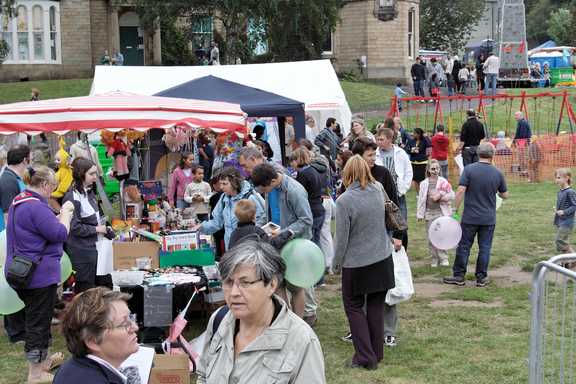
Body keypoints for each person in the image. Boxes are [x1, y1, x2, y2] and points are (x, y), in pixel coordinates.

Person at [196, 241, 325, 383]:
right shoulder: (219, 320)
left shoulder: (302, 340)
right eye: (228, 282)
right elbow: (203, 375)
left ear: (272, 285)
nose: (234, 293)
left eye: (245, 283)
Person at [5, 165, 74, 384]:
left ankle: (43, 362)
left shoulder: (19, 200)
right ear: (44, 185)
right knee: (37, 323)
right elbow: (60, 233)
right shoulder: (36, 207)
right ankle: (35, 373)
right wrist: (65, 214)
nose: (53, 191)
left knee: (40, 319)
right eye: (53, 187)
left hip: (23, 271)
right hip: (37, 275)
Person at [332, 155, 395, 370]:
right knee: (376, 306)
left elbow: (341, 238)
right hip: (382, 258)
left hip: (358, 263)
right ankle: (376, 353)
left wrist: (335, 264)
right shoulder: (378, 188)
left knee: (354, 307)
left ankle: (365, 357)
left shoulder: (344, 201)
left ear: (347, 174)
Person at [251, 163, 315, 325]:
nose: (263, 193)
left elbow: (306, 220)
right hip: (276, 243)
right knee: (278, 284)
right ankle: (285, 321)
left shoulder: (295, 191)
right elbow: (268, 214)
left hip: (295, 245)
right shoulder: (269, 190)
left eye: (264, 190)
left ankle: (299, 324)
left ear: (272, 181)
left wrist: (286, 232)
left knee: (296, 286)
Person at [443, 143, 508, 287]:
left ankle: (459, 276)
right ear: (493, 155)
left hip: (470, 218)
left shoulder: (469, 170)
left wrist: (455, 210)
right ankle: (481, 277)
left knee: (464, 246)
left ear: (478, 153)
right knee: (485, 247)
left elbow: (460, 191)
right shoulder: (497, 173)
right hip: (488, 218)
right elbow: (505, 195)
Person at [54, 288, 139, 384]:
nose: (135, 327)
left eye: (131, 317)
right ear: (93, 341)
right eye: (124, 324)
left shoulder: (74, 367)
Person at [64, 158, 109, 294]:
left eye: (95, 173)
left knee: (98, 290)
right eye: (91, 174)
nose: (95, 177)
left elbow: (96, 217)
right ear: (81, 174)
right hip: (81, 253)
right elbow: (73, 227)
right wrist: (96, 229)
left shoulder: (89, 192)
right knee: (85, 294)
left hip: (94, 250)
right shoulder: (72, 196)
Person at [0, 144, 30, 343]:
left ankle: (20, 328)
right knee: (13, 281)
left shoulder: (13, 178)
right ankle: (15, 331)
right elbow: (9, 214)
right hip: (8, 238)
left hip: (13, 237)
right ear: (24, 161)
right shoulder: (8, 181)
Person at [198, 167, 266, 250]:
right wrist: (201, 227)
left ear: (235, 183)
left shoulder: (250, 197)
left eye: (225, 184)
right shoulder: (224, 198)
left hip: (248, 249)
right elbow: (216, 222)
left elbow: (261, 221)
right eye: (220, 183)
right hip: (231, 248)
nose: (221, 187)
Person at [374, 127, 413, 250]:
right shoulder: (375, 154)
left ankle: (403, 251)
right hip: (382, 196)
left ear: (390, 139)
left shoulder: (400, 153)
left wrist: (404, 188)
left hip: (398, 194)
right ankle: (388, 252)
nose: (379, 142)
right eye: (378, 139)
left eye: (382, 139)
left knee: (401, 224)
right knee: (386, 224)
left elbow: (408, 171)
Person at [416, 159, 454, 267]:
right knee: (431, 237)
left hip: (441, 212)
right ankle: (434, 258)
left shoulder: (443, 182)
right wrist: (420, 214)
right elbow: (421, 200)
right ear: (428, 170)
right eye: (433, 169)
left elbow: (451, 195)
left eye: (437, 168)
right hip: (429, 213)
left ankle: (443, 258)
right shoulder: (424, 184)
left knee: (441, 235)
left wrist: (441, 197)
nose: (435, 171)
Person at [289, 148, 326, 245]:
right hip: (319, 209)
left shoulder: (303, 174)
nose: (291, 164)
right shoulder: (312, 170)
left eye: (292, 161)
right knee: (316, 241)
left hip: (312, 211)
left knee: (311, 243)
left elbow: (298, 194)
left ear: (298, 160)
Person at [228, 199, 292, 250]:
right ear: (254, 216)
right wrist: (287, 233)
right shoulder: (257, 231)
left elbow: (230, 251)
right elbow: (272, 244)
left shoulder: (234, 233)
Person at [553, 168, 576, 254]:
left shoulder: (570, 192)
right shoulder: (560, 192)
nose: (557, 180)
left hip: (567, 221)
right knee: (563, 240)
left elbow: (574, 205)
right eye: (556, 177)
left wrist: (564, 212)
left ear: (567, 178)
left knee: (559, 240)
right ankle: (567, 261)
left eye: (559, 178)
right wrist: (557, 210)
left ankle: (571, 259)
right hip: (560, 220)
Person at [405, 128, 430, 192]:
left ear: (419, 134)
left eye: (415, 133)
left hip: (422, 162)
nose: (413, 134)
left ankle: (423, 192)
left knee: (421, 179)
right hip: (413, 162)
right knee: (415, 179)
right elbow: (407, 149)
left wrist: (426, 136)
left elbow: (429, 144)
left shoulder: (424, 140)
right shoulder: (411, 140)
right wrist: (411, 150)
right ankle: (418, 194)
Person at [51, 138, 73, 207]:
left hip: (63, 192)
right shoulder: (62, 169)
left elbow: (63, 181)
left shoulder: (65, 170)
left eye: (58, 160)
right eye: (55, 159)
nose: (56, 162)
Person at [208, 175, 225, 259]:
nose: (221, 186)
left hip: (220, 231)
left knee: (221, 253)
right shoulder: (217, 197)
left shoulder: (217, 197)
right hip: (220, 230)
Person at [513, 111, 532, 175]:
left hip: (523, 143)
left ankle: (525, 171)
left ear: (520, 116)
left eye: (516, 116)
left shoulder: (522, 123)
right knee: (522, 156)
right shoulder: (521, 122)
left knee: (522, 156)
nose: (515, 117)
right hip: (522, 142)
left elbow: (522, 135)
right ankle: (523, 170)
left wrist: (516, 141)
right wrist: (514, 140)